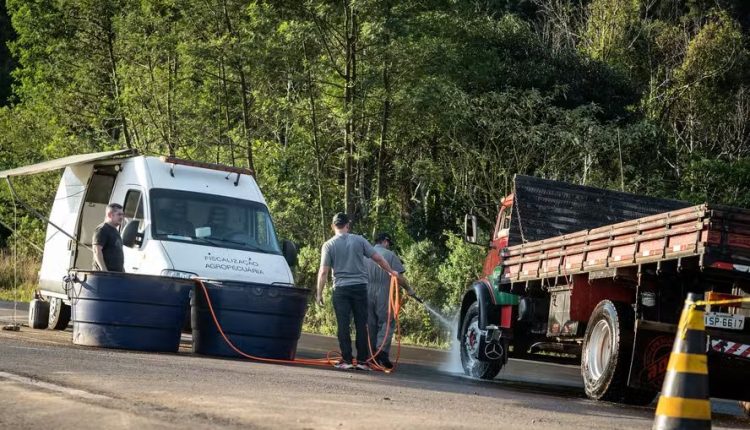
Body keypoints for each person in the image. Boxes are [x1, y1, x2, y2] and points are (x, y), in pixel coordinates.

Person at [317, 213, 399, 371]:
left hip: (341, 289)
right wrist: (390, 272)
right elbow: (378, 259)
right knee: (362, 325)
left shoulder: (328, 245)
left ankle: (346, 359)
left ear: (333, 226)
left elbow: (323, 271)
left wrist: (319, 293)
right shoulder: (359, 240)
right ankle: (362, 361)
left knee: (343, 325)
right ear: (348, 225)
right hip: (360, 288)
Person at [366, 233, 415, 370]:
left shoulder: (366, 253)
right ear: (385, 242)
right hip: (383, 292)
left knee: (370, 324)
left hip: (366, 291)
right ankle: (382, 351)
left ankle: (370, 356)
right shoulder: (390, 255)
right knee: (387, 322)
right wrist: (409, 289)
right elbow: (398, 276)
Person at [92, 203, 125, 272]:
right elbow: (97, 251)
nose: (122, 217)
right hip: (104, 276)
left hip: (116, 275)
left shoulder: (115, 231)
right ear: (110, 215)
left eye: (122, 214)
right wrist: (104, 270)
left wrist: (123, 270)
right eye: (119, 214)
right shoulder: (102, 229)